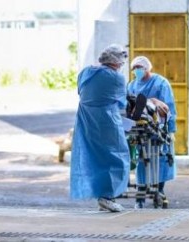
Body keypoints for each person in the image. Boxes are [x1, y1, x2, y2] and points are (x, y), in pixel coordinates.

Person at [70, 44, 130, 212]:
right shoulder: (116, 78)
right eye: (121, 62)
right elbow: (122, 101)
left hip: (85, 119)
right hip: (107, 121)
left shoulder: (85, 72)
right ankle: (107, 196)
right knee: (116, 157)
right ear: (117, 61)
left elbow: (81, 92)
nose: (121, 66)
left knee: (94, 157)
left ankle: (101, 195)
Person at [127, 56, 177, 209]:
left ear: (148, 68)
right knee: (142, 162)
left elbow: (169, 108)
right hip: (139, 128)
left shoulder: (161, 83)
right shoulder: (131, 86)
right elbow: (129, 106)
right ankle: (140, 198)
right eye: (134, 68)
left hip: (158, 128)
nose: (137, 70)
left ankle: (159, 192)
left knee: (160, 161)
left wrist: (171, 130)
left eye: (140, 67)